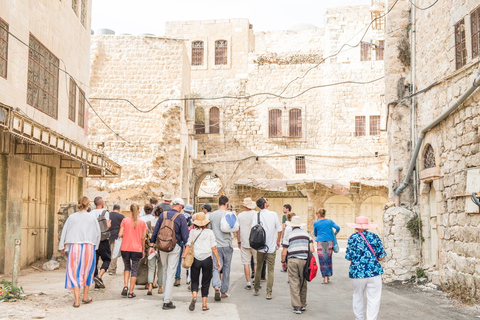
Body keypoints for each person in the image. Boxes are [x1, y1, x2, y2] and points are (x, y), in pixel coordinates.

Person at [59, 196, 100, 307]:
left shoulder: (72, 217)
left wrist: (62, 245)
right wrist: (95, 246)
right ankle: (85, 297)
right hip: (89, 247)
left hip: (75, 247)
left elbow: (65, 231)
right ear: (88, 205)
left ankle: (76, 301)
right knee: (88, 271)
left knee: (74, 272)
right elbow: (97, 233)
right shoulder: (91, 218)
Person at [149, 197, 189, 310]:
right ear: (180, 207)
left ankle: (166, 295)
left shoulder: (163, 215)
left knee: (165, 270)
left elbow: (156, 230)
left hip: (162, 246)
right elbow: (185, 236)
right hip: (174, 246)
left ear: (173, 205)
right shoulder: (181, 217)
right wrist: (186, 250)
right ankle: (167, 301)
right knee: (171, 272)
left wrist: (151, 244)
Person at [345, 216, 387, 320]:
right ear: (367, 226)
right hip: (374, 272)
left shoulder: (352, 238)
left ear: (356, 227)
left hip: (357, 273)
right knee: (374, 298)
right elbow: (381, 256)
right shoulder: (375, 237)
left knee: (357, 296)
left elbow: (348, 257)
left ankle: (359, 318)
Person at [182, 212, 221, 312]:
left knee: (195, 280)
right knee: (206, 281)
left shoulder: (192, 232)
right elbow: (214, 247)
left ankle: (194, 296)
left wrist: (184, 257)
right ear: (206, 223)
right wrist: (218, 260)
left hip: (195, 259)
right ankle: (204, 305)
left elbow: (188, 246)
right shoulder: (210, 232)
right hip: (207, 259)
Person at [281, 216, 315, 314]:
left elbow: (284, 252)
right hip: (304, 261)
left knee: (294, 282)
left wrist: (283, 262)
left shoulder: (289, 235)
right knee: (303, 282)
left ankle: (297, 306)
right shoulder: (307, 234)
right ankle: (303, 304)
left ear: (292, 226)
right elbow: (312, 250)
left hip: (292, 260)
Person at [252, 197, 282, 300]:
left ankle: (256, 289)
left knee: (259, 268)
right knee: (270, 270)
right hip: (271, 246)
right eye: (266, 200)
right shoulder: (273, 214)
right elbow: (279, 229)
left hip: (260, 246)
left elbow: (253, 229)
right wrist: (278, 241)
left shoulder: (257, 215)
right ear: (265, 204)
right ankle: (269, 292)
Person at [119, 203, 147, 298]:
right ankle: (131, 292)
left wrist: (126, 234)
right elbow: (143, 238)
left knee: (127, 267)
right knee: (134, 270)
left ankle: (125, 286)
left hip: (125, 248)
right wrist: (143, 250)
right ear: (138, 211)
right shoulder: (142, 223)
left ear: (130, 211)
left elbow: (120, 234)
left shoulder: (125, 220)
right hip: (137, 248)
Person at [209, 195, 234, 300]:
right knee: (227, 267)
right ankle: (224, 291)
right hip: (227, 244)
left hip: (216, 245)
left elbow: (209, 230)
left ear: (218, 203)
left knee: (216, 266)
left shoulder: (212, 215)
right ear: (227, 203)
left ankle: (216, 286)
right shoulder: (229, 214)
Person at [89, 196, 111, 289]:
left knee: (94, 260)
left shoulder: (90, 213)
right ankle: (99, 276)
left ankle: (95, 279)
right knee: (107, 259)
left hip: (93, 240)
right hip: (103, 239)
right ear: (101, 203)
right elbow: (107, 226)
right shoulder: (105, 212)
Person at [313, 208, 340, 284]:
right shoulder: (329, 221)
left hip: (321, 242)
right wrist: (335, 234)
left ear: (318, 214)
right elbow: (338, 228)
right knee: (328, 259)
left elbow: (315, 234)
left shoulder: (316, 223)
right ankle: (328, 275)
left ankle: (325, 277)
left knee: (322, 259)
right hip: (329, 242)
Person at [236, 197, 258, 290]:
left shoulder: (240, 216)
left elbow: (238, 229)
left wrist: (239, 241)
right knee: (256, 262)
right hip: (256, 241)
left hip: (245, 241)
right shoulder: (256, 214)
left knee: (246, 263)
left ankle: (248, 282)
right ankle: (256, 281)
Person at [141, 204, 163, 294]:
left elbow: (145, 235)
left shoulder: (149, 223)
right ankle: (160, 287)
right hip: (161, 247)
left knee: (151, 268)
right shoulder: (163, 223)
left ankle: (150, 286)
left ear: (154, 213)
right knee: (161, 267)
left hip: (151, 247)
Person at [174, 204, 195, 287]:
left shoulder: (180, 217)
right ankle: (188, 278)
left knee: (178, 259)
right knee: (188, 258)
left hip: (180, 239)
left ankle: (177, 278)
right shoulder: (191, 218)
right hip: (188, 239)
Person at [108, 204, 125, 276]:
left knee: (107, 253)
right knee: (114, 254)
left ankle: (106, 267)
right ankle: (112, 270)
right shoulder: (121, 216)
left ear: (113, 208)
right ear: (119, 209)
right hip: (116, 237)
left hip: (107, 236)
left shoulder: (108, 215)